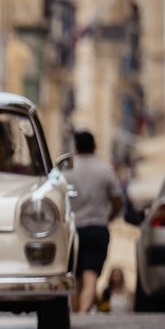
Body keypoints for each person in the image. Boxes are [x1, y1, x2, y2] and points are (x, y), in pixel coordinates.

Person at [64, 131, 123, 313]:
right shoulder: (105, 170)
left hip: (72, 231)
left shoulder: (65, 171)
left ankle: (75, 315)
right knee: (91, 276)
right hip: (97, 229)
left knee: (74, 277)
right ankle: (83, 313)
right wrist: (108, 217)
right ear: (94, 147)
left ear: (75, 147)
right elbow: (118, 200)